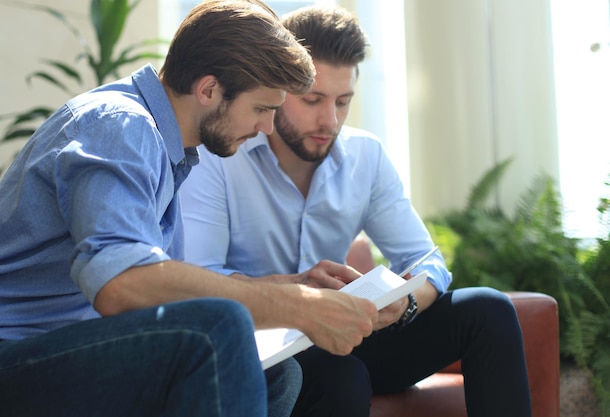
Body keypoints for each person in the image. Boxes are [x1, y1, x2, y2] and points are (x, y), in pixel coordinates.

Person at [0, 2, 381, 416]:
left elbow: (166, 287)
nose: (266, 127)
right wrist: (299, 306)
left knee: (279, 374)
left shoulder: (167, 148)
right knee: (216, 328)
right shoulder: (121, 126)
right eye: (262, 108)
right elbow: (121, 282)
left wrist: (291, 286)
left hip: (56, 347)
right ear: (209, 90)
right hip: (3, 356)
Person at [180, 5, 533, 417]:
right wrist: (296, 293)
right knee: (338, 374)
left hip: (350, 335)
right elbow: (199, 281)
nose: (329, 120)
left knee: (488, 310)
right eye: (313, 99)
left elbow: (426, 261)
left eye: (343, 102)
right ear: (276, 91)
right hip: (266, 346)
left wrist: (407, 304)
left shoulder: (367, 157)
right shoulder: (220, 159)